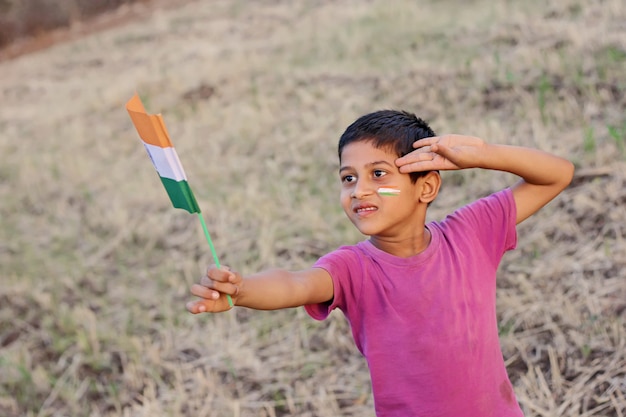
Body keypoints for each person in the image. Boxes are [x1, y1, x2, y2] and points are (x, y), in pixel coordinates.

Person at [186, 110, 574, 417]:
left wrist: (484, 154)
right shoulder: (353, 268)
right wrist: (242, 290)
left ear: (426, 187)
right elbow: (296, 284)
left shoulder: (470, 233)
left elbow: (557, 175)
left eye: (378, 173)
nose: (360, 190)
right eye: (348, 178)